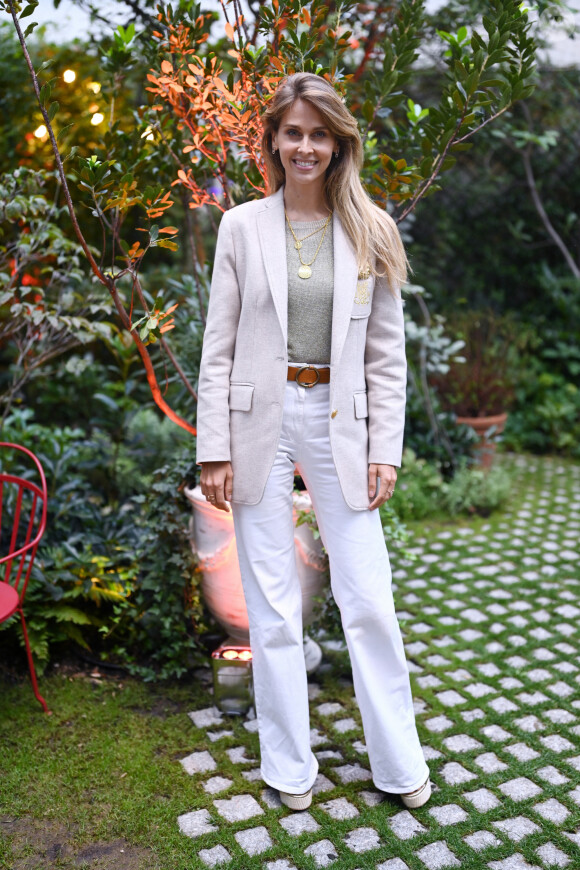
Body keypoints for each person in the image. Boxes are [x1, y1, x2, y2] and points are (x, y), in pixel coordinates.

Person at [196, 72, 431, 812]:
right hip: (257, 419)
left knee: (369, 600)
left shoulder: (372, 229)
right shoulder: (240, 226)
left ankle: (399, 766)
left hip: (342, 420)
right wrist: (214, 448)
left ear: (338, 144)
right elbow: (218, 345)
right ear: (273, 141)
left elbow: (387, 354)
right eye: (292, 132)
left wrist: (384, 448)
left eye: (318, 133)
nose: (305, 145)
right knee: (271, 609)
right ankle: (289, 771)